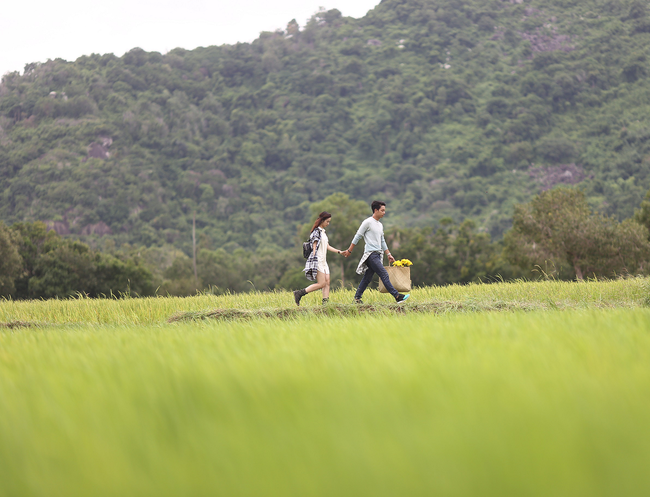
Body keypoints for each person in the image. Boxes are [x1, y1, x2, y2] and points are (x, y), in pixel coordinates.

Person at [342, 200, 410, 304]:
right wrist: (349, 250)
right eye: (382, 210)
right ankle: (397, 296)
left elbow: (382, 240)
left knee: (367, 278)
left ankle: (357, 299)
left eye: (384, 210)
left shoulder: (380, 225)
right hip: (371, 254)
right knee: (384, 274)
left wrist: (389, 254)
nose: (384, 212)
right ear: (376, 210)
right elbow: (357, 236)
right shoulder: (367, 222)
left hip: (378, 254)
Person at [294, 211, 345, 306]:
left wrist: (339, 251)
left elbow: (327, 246)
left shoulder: (323, 232)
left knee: (327, 282)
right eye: (327, 221)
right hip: (317, 260)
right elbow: (314, 243)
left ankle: (325, 303)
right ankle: (300, 293)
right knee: (321, 284)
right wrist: (314, 256)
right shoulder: (316, 232)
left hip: (324, 261)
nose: (328, 223)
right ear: (322, 220)